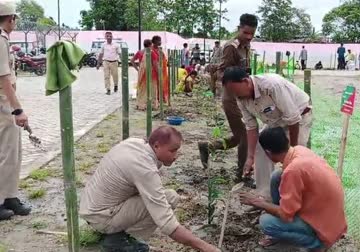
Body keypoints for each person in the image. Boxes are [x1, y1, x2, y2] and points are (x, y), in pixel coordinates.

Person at [80, 126, 220, 252]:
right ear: (157, 146)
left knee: (170, 196)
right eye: (172, 151)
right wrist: (206, 247)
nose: (176, 156)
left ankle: (117, 234)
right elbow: (167, 224)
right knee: (164, 205)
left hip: (92, 206)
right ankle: (119, 241)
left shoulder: (135, 143)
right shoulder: (144, 169)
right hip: (101, 217)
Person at [239, 127, 347, 251]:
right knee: (277, 176)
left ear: (268, 152)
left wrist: (257, 202)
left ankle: (315, 244)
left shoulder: (293, 171)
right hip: (329, 216)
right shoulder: (299, 150)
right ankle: (289, 230)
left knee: (266, 223)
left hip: (322, 227)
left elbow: (286, 215)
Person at [222, 67, 312, 198]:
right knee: (260, 147)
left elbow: (293, 119)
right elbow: (251, 127)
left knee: (296, 160)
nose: (235, 95)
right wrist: (250, 157)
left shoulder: (271, 86)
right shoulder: (241, 98)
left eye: (235, 90)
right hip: (275, 121)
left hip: (299, 118)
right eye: (232, 93)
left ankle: (294, 198)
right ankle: (264, 197)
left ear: (246, 81)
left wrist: (292, 151)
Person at [197, 14, 258, 181]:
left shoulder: (246, 45)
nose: (249, 36)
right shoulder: (231, 47)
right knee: (245, 134)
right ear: (239, 28)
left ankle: (208, 147)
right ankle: (242, 174)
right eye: (246, 33)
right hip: (231, 96)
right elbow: (222, 72)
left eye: (252, 33)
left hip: (243, 95)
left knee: (241, 135)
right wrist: (236, 78)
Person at [0, 0, 32, 221]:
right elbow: (3, 78)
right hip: (3, 103)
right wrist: (17, 109)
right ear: (11, 18)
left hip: (5, 102)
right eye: (15, 19)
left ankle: (10, 195)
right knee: (7, 152)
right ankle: (2, 199)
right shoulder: (0, 39)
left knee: (12, 151)